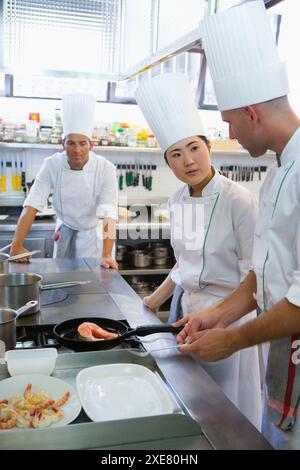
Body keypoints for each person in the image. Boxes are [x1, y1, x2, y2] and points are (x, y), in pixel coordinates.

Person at [175, 0, 300, 449]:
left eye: (229, 122)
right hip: (281, 355)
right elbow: (263, 275)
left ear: (251, 113)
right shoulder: (276, 172)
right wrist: (216, 316)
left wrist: (233, 341)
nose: (230, 135)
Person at [135, 72, 262, 429]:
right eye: (176, 154)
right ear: (168, 162)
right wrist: (152, 301)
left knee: (232, 413)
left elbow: (255, 274)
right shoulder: (176, 201)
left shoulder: (239, 201)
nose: (188, 160)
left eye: (194, 148)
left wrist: (220, 318)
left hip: (232, 320)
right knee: (197, 411)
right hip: (189, 317)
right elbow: (184, 263)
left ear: (208, 147)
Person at [10, 93, 118, 269]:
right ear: (62, 143)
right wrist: (16, 246)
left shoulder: (105, 169)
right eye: (71, 143)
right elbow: (32, 204)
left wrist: (106, 254)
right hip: (66, 234)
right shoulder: (52, 165)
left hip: (95, 241)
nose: (77, 150)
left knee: (93, 291)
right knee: (62, 285)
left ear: (91, 145)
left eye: (82, 143)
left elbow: (109, 214)